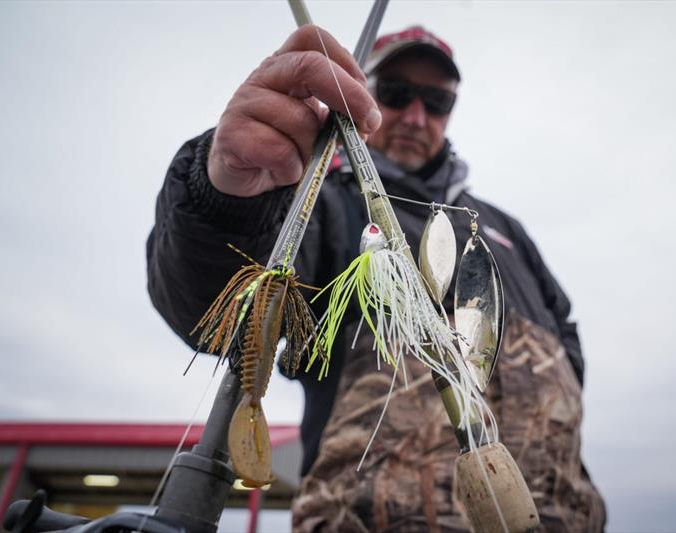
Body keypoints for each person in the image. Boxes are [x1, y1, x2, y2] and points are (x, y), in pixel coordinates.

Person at [147, 24, 606, 532]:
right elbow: (212, 307)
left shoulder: (504, 229)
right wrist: (229, 194)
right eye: (395, 93)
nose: (415, 116)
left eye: (435, 101)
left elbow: (565, 335)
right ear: (364, 93)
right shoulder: (317, 198)